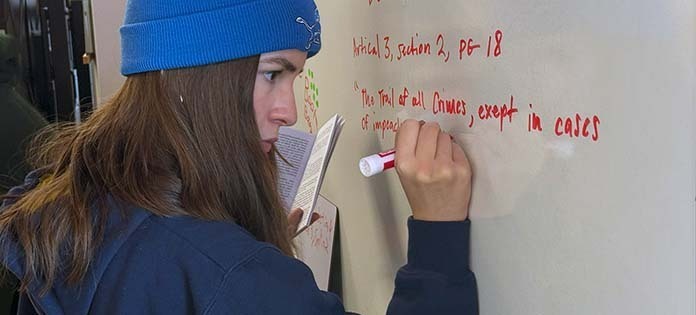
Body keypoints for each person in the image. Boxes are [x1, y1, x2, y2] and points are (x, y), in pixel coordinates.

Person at [0, 0, 479, 314]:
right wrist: (438, 240)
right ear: (197, 74)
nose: (288, 110)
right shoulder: (230, 279)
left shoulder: (76, 198)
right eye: (273, 74)